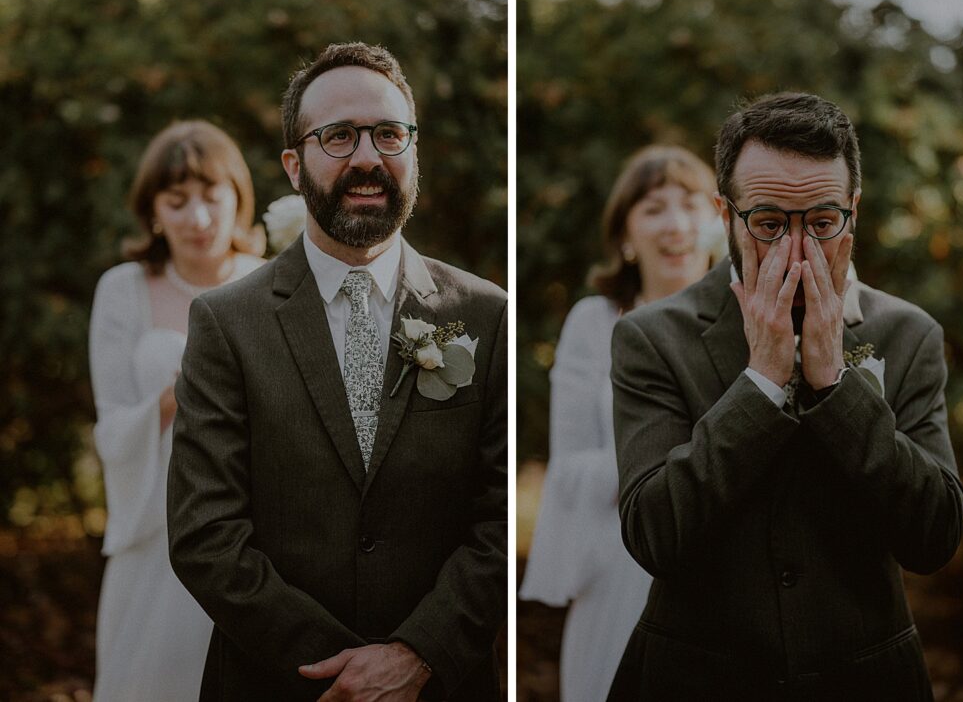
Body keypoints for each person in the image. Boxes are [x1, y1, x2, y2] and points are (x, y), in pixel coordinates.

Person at [167, 42, 507, 702]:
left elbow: (498, 519)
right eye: (339, 136)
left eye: (388, 134)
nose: (367, 157)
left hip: (444, 685)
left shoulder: (486, 314)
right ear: (295, 167)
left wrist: (416, 655)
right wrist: (340, 671)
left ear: (413, 152)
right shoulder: (225, 322)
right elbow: (205, 534)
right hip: (278, 684)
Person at [607, 92, 963, 700]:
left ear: (853, 211)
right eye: (770, 223)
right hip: (695, 679)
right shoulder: (651, 337)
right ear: (726, 214)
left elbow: (934, 537)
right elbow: (653, 534)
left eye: (822, 223)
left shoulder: (909, 335)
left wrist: (837, 388)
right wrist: (761, 384)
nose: (796, 249)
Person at [519, 145, 721, 702]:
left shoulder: (751, 317)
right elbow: (570, 468)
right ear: (626, 235)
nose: (677, 224)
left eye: (691, 204)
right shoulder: (593, 324)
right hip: (622, 562)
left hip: (730, 567)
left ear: (720, 222)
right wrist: (678, 464)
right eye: (654, 208)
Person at [88, 120, 265, 702]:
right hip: (153, 527)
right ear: (152, 210)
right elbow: (111, 426)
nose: (197, 218)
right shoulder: (123, 289)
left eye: (212, 197)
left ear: (238, 199)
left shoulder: (268, 286)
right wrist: (180, 392)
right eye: (177, 200)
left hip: (250, 527)